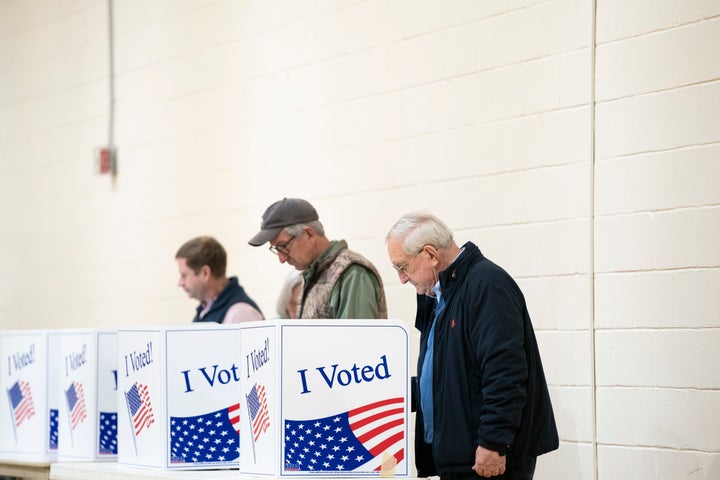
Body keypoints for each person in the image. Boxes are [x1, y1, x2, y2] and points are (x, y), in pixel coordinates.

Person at [385, 212, 558, 480]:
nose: (402, 279)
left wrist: (493, 441)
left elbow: (506, 372)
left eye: (402, 267)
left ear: (431, 255)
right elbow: (447, 376)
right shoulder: (441, 294)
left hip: (485, 458)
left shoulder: (486, 285)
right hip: (458, 454)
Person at [248, 197, 387, 319]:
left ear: (309, 234)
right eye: (276, 249)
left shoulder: (352, 274)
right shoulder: (312, 274)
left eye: (283, 246)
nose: (282, 259)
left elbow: (357, 344)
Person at [175, 236, 264, 323]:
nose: (180, 283)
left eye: (184, 275)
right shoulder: (206, 309)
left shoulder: (241, 313)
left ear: (205, 273)